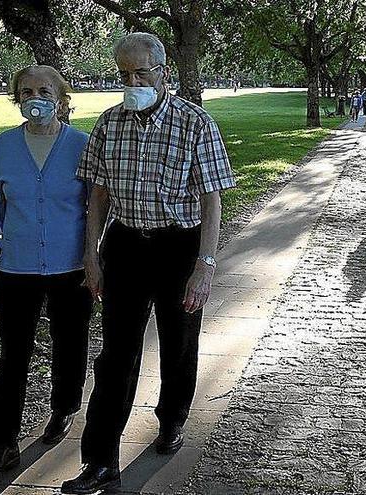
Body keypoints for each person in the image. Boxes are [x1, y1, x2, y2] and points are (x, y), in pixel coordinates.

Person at [60, 33, 236, 494]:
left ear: (163, 72)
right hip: (125, 246)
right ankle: (99, 462)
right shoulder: (109, 122)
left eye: (141, 72)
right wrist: (91, 254)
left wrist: (206, 263)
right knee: (116, 355)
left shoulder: (195, 122)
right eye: (123, 74)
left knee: (179, 344)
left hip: (179, 246)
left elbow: (211, 198)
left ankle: (172, 419)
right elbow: (96, 193)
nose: (131, 81)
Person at [0, 65, 94, 478]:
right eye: (25, 91)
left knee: (70, 342)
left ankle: (64, 407)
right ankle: (2, 441)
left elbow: (99, 208)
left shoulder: (81, 144)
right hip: (16, 268)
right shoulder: (4, 146)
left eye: (44, 90)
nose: (35, 98)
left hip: (71, 267)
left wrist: (96, 261)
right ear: (17, 99)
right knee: (13, 354)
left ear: (62, 97)